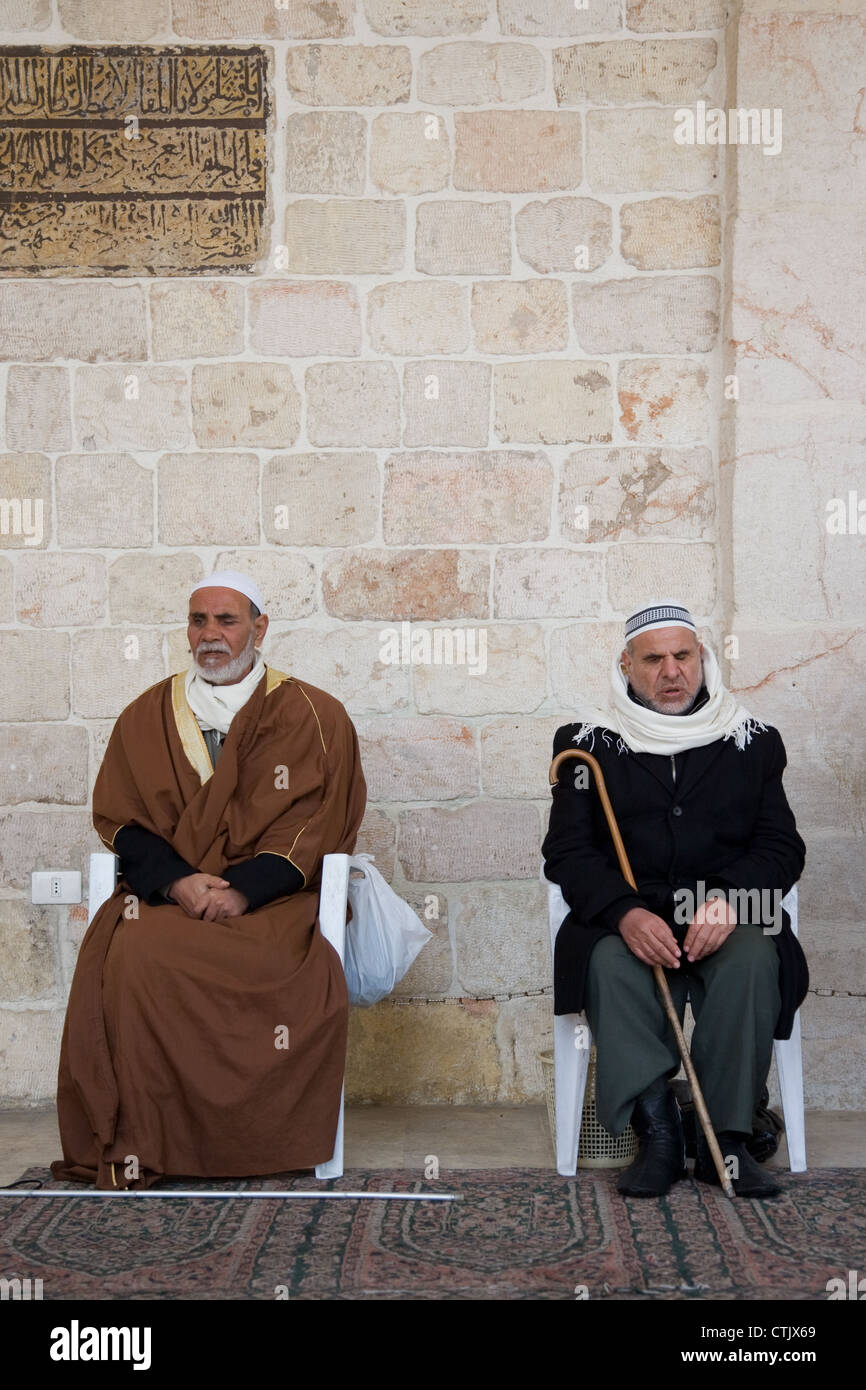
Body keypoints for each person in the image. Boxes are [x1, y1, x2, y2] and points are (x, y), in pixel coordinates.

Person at [51, 570, 366, 1190]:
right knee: (134, 950)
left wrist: (243, 888)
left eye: (227, 620)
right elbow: (124, 820)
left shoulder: (313, 715)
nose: (211, 635)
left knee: (289, 969)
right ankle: (149, 1146)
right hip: (174, 899)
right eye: (199, 621)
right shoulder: (146, 715)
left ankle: (251, 1143)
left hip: (273, 902)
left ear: (259, 628)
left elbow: (321, 821)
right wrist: (181, 884)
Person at [542, 600, 807, 1199]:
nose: (671, 672)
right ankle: (658, 1133)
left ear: (702, 660)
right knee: (609, 961)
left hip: (728, 909)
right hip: (625, 912)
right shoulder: (588, 745)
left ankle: (729, 1142)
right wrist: (623, 912)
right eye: (653, 659)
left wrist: (734, 900)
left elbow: (782, 846)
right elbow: (568, 852)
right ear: (626, 665)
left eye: (683, 656)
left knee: (752, 958)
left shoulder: (753, 741)